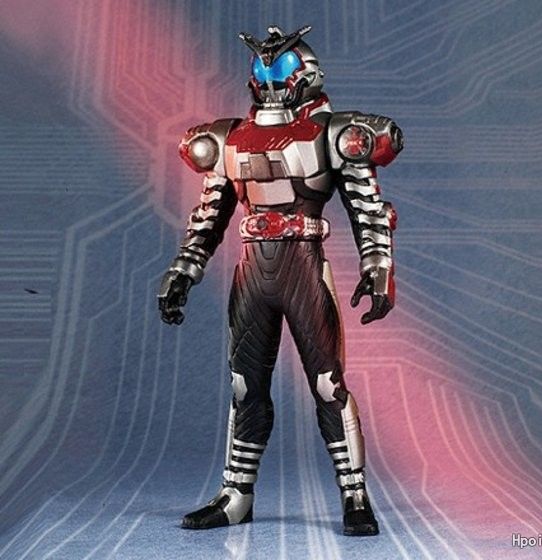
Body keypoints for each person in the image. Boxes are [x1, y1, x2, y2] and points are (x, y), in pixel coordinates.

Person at [158, 25, 403, 536]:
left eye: (282, 69)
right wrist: (184, 269)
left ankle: (354, 494)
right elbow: (209, 215)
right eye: (263, 69)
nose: (270, 80)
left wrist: (378, 266)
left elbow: (367, 207)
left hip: (304, 267)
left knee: (327, 384)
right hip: (253, 272)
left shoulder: (334, 134)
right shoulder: (229, 139)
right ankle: (236, 494)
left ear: (306, 75)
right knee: (245, 386)